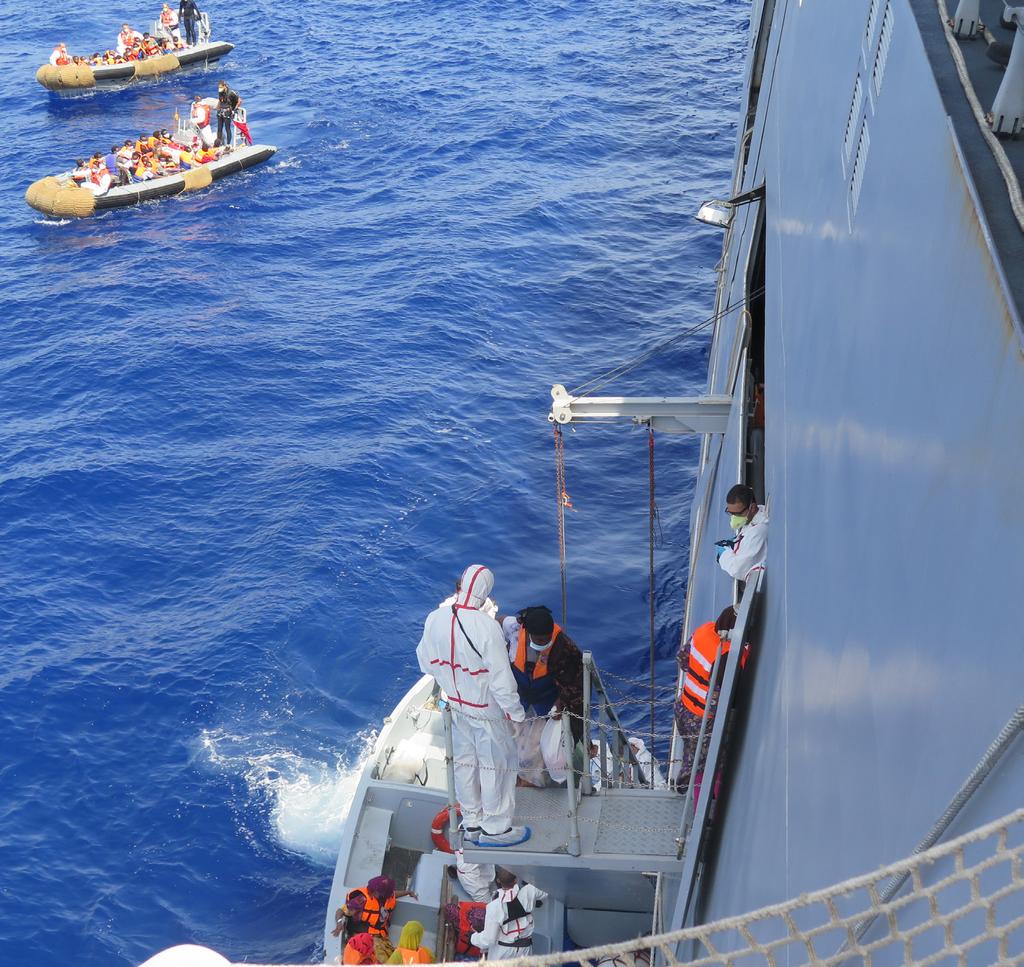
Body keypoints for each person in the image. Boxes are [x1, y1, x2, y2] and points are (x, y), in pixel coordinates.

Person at [416, 565, 529, 848]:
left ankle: (472, 821)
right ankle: (496, 828)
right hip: (485, 709)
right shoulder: (487, 627)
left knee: (466, 764)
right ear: (484, 592)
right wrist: (516, 714)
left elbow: (425, 663)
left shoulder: (435, 618)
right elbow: (501, 680)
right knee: (496, 765)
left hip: (455, 705)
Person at [674, 606, 741, 795]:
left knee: (689, 751)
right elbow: (728, 697)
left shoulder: (704, 631)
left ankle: (682, 783)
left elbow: (682, 659)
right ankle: (696, 806)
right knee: (702, 766)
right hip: (700, 720)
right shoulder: (728, 655)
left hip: (682, 708)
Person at [500, 606, 584, 744]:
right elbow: (500, 620)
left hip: (547, 701)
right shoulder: (515, 628)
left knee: (540, 748)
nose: (545, 643)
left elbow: (577, 682)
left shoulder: (565, 648)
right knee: (511, 740)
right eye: (539, 640)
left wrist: (561, 703)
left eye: (548, 638)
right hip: (520, 696)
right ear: (528, 633)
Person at [471, 868, 547, 960]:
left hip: (503, 952)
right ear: (516, 879)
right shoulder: (529, 891)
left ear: (498, 880)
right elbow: (546, 891)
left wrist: (473, 938)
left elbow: (488, 940)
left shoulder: (494, 906)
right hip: (525, 949)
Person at [331, 875, 417, 940]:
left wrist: (408, 892)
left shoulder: (389, 896)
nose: (370, 891)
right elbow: (341, 910)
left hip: (380, 934)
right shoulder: (361, 900)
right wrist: (339, 923)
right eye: (371, 889)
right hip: (362, 932)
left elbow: (395, 894)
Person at [716, 484, 768, 582]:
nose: (733, 517)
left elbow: (737, 569)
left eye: (737, 514)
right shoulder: (759, 511)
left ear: (752, 508)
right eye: (730, 513)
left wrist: (723, 555)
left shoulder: (758, 532)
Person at [215, 80, 240, 147]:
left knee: (227, 128)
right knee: (219, 128)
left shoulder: (231, 93)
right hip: (220, 111)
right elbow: (220, 101)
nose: (220, 89)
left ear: (225, 86)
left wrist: (234, 110)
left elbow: (239, 100)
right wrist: (217, 108)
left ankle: (228, 144)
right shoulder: (220, 92)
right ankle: (218, 144)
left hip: (227, 112)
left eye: (221, 87)